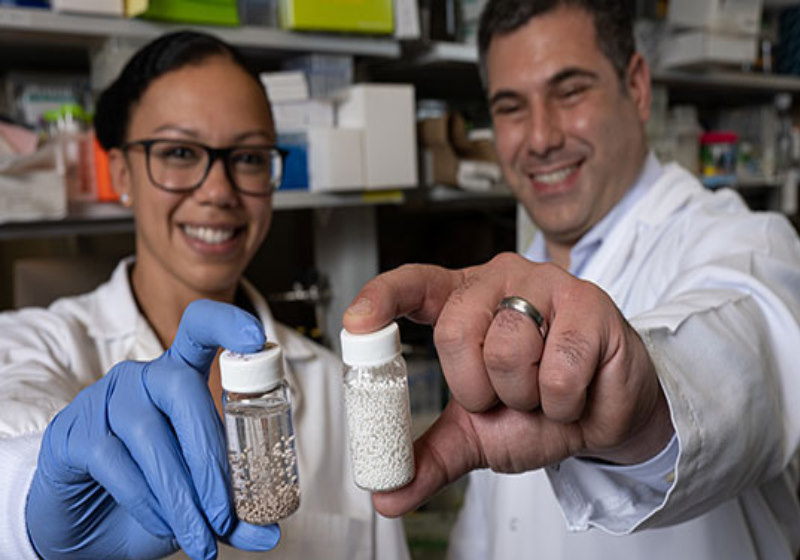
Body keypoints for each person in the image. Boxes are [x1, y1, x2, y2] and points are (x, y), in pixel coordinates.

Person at [342, 1, 800, 559]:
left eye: (569, 91)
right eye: (511, 107)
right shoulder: (503, 293)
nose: (539, 137)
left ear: (635, 86)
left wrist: (641, 409)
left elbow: (744, 364)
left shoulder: (748, 242)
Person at [0, 31, 410, 560]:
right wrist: (31, 505)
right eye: (178, 152)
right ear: (121, 172)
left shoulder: (336, 388)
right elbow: (11, 422)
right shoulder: (35, 343)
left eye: (249, 158)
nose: (218, 192)